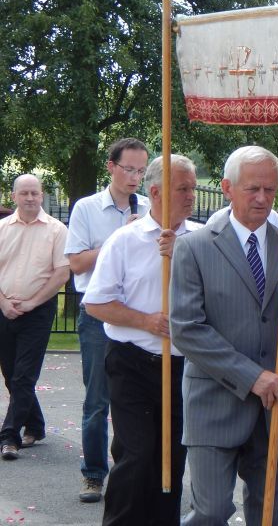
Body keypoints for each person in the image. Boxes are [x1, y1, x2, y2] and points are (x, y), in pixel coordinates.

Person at [170, 146, 278, 526]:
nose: (262, 198)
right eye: (253, 189)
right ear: (227, 188)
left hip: (276, 410)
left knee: (268, 516)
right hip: (214, 403)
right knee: (210, 512)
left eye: (270, 190)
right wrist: (252, 377)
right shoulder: (194, 247)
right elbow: (187, 329)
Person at [82, 154, 198, 525]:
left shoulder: (202, 240)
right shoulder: (124, 240)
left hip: (184, 366)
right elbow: (96, 303)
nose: (191, 196)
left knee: (172, 458)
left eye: (193, 188)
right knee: (137, 454)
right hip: (132, 361)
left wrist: (182, 256)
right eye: (182, 189)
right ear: (156, 192)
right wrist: (145, 320)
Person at [65, 137, 150, 502]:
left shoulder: (149, 206)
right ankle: (94, 474)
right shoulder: (86, 208)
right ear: (111, 167)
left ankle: (132, 473)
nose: (135, 178)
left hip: (137, 312)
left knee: (136, 397)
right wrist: (121, 237)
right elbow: (77, 263)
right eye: (129, 169)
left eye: (141, 171)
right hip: (98, 313)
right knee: (98, 399)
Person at [0, 174, 70, 461]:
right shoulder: (2, 228)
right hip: (4, 308)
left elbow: (61, 273)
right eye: (24, 193)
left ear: (42, 195)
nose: (30, 198)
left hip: (38, 311)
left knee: (24, 376)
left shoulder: (57, 230)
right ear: (14, 196)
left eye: (34, 193)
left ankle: (9, 437)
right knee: (10, 374)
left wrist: (31, 303)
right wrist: (4, 303)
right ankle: (36, 425)